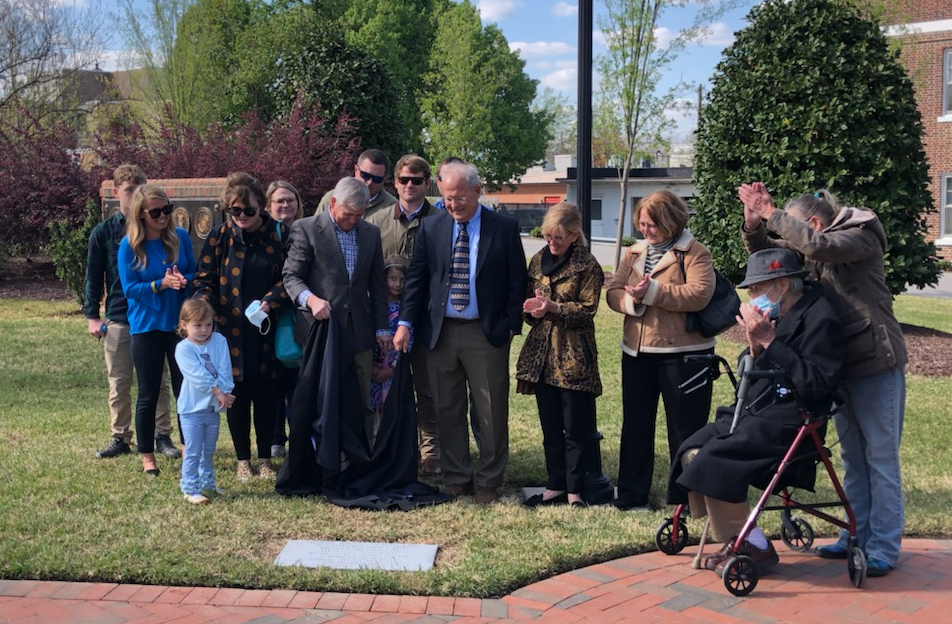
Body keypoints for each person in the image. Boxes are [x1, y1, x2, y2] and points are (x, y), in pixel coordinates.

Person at [739, 182, 907, 577]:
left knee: (880, 459)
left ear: (814, 223)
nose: (792, 239)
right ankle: (855, 534)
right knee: (852, 458)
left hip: (876, 361)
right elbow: (777, 265)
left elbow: (816, 248)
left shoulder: (859, 234)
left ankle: (883, 546)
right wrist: (753, 227)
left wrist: (771, 212)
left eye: (793, 229)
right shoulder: (814, 244)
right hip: (838, 364)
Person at [667, 248, 844, 574]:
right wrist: (755, 343)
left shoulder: (822, 318)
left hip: (793, 419)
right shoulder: (785, 312)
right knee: (691, 449)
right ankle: (743, 538)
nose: (751, 298)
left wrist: (770, 340)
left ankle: (752, 546)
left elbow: (816, 386)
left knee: (716, 457)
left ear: (781, 284)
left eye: (756, 289)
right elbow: (758, 369)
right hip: (760, 409)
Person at [394, 161, 527, 504]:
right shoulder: (432, 227)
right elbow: (417, 281)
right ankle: (457, 477)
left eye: (459, 198)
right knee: (447, 407)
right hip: (441, 332)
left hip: (485, 333)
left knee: (490, 409)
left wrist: (511, 325)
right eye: (447, 197)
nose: (452, 204)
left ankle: (488, 481)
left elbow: (517, 281)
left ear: (477, 192)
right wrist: (406, 323)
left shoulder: (504, 227)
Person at [605, 190, 716, 511]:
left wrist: (651, 291)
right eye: (641, 224)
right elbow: (613, 291)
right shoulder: (633, 252)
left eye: (651, 225)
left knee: (684, 429)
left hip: (684, 354)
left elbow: (698, 295)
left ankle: (684, 498)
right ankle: (631, 493)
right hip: (637, 352)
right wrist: (631, 301)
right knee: (635, 424)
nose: (645, 231)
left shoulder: (695, 252)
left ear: (670, 222)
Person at [192, 172, 290, 481]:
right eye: (236, 211)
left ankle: (265, 460)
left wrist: (271, 301)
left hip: (267, 328)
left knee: (266, 395)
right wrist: (204, 306)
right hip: (229, 332)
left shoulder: (279, 234)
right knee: (235, 396)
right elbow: (204, 279)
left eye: (249, 210)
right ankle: (242, 460)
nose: (243, 216)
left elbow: (291, 277)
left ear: (261, 205)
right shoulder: (219, 236)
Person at [283, 176, 391, 438]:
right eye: (348, 214)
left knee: (362, 399)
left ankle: (361, 457)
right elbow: (291, 276)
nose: (353, 220)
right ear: (333, 203)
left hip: (360, 331)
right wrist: (310, 299)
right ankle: (320, 458)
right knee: (321, 398)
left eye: (359, 214)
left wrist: (381, 329)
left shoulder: (370, 233)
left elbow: (377, 286)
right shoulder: (306, 228)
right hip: (320, 331)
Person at [85, 165, 179, 460]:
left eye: (140, 189)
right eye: (129, 190)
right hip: (119, 315)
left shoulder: (162, 231)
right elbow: (93, 274)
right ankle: (120, 436)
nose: (136, 195)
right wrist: (92, 316)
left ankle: (162, 435)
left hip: (154, 316)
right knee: (120, 380)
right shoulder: (105, 232)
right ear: (117, 194)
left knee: (157, 381)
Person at [516, 202, 604, 508]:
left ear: (574, 235)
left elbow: (588, 310)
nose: (552, 243)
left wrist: (554, 307)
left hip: (573, 358)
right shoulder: (538, 261)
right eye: (548, 237)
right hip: (542, 359)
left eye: (559, 238)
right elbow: (530, 303)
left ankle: (575, 491)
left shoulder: (587, 265)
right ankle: (554, 485)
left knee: (575, 430)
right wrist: (531, 310)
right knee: (550, 427)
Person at [366, 154, 442, 476]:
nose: (409, 186)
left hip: (427, 320)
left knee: (427, 387)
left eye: (417, 180)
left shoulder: (441, 220)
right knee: (385, 387)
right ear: (395, 183)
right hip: (386, 320)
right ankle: (386, 446)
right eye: (404, 180)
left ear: (428, 183)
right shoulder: (376, 222)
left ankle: (431, 452)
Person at [117, 184, 195, 476]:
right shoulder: (129, 246)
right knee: (148, 393)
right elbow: (129, 289)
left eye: (167, 209)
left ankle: (189, 447)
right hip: (146, 327)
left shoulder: (180, 238)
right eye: (156, 212)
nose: (163, 216)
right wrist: (159, 284)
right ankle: (148, 456)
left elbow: (193, 271)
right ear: (141, 214)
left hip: (178, 327)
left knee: (184, 389)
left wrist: (180, 279)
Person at [174, 299, 235, 504]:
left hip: (211, 409)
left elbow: (225, 368)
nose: (204, 330)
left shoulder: (219, 340)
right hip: (191, 408)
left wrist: (226, 392)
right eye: (197, 325)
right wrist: (218, 392)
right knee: (193, 449)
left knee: (208, 450)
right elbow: (198, 376)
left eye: (208, 324)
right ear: (184, 325)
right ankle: (190, 488)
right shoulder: (184, 348)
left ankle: (208, 483)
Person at [264, 180, 303, 459]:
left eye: (290, 200)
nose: (285, 205)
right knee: (271, 383)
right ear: (268, 206)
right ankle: (275, 438)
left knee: (295, 377)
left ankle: (299, 435)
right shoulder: (262, 235)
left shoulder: (307, 231)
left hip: (296, 314)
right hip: (266, 315)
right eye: (279, 200)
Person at [370, 256, 410, 438]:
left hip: (394, 370)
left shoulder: (405, 310)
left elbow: (409, 341)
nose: (397, 284)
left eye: (402, 280)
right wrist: (371, 366)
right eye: (393, 278)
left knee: (392, 410)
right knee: (370, 411)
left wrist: (392, 368)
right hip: (372, 368)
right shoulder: (373, 306)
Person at [315, 149, 397, 218]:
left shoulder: (393, 208)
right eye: (365, 175)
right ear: (356, 170)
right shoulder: (332, 198)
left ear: (385, 178)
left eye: (377, 179)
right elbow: (315, 230)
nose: (369, 182)